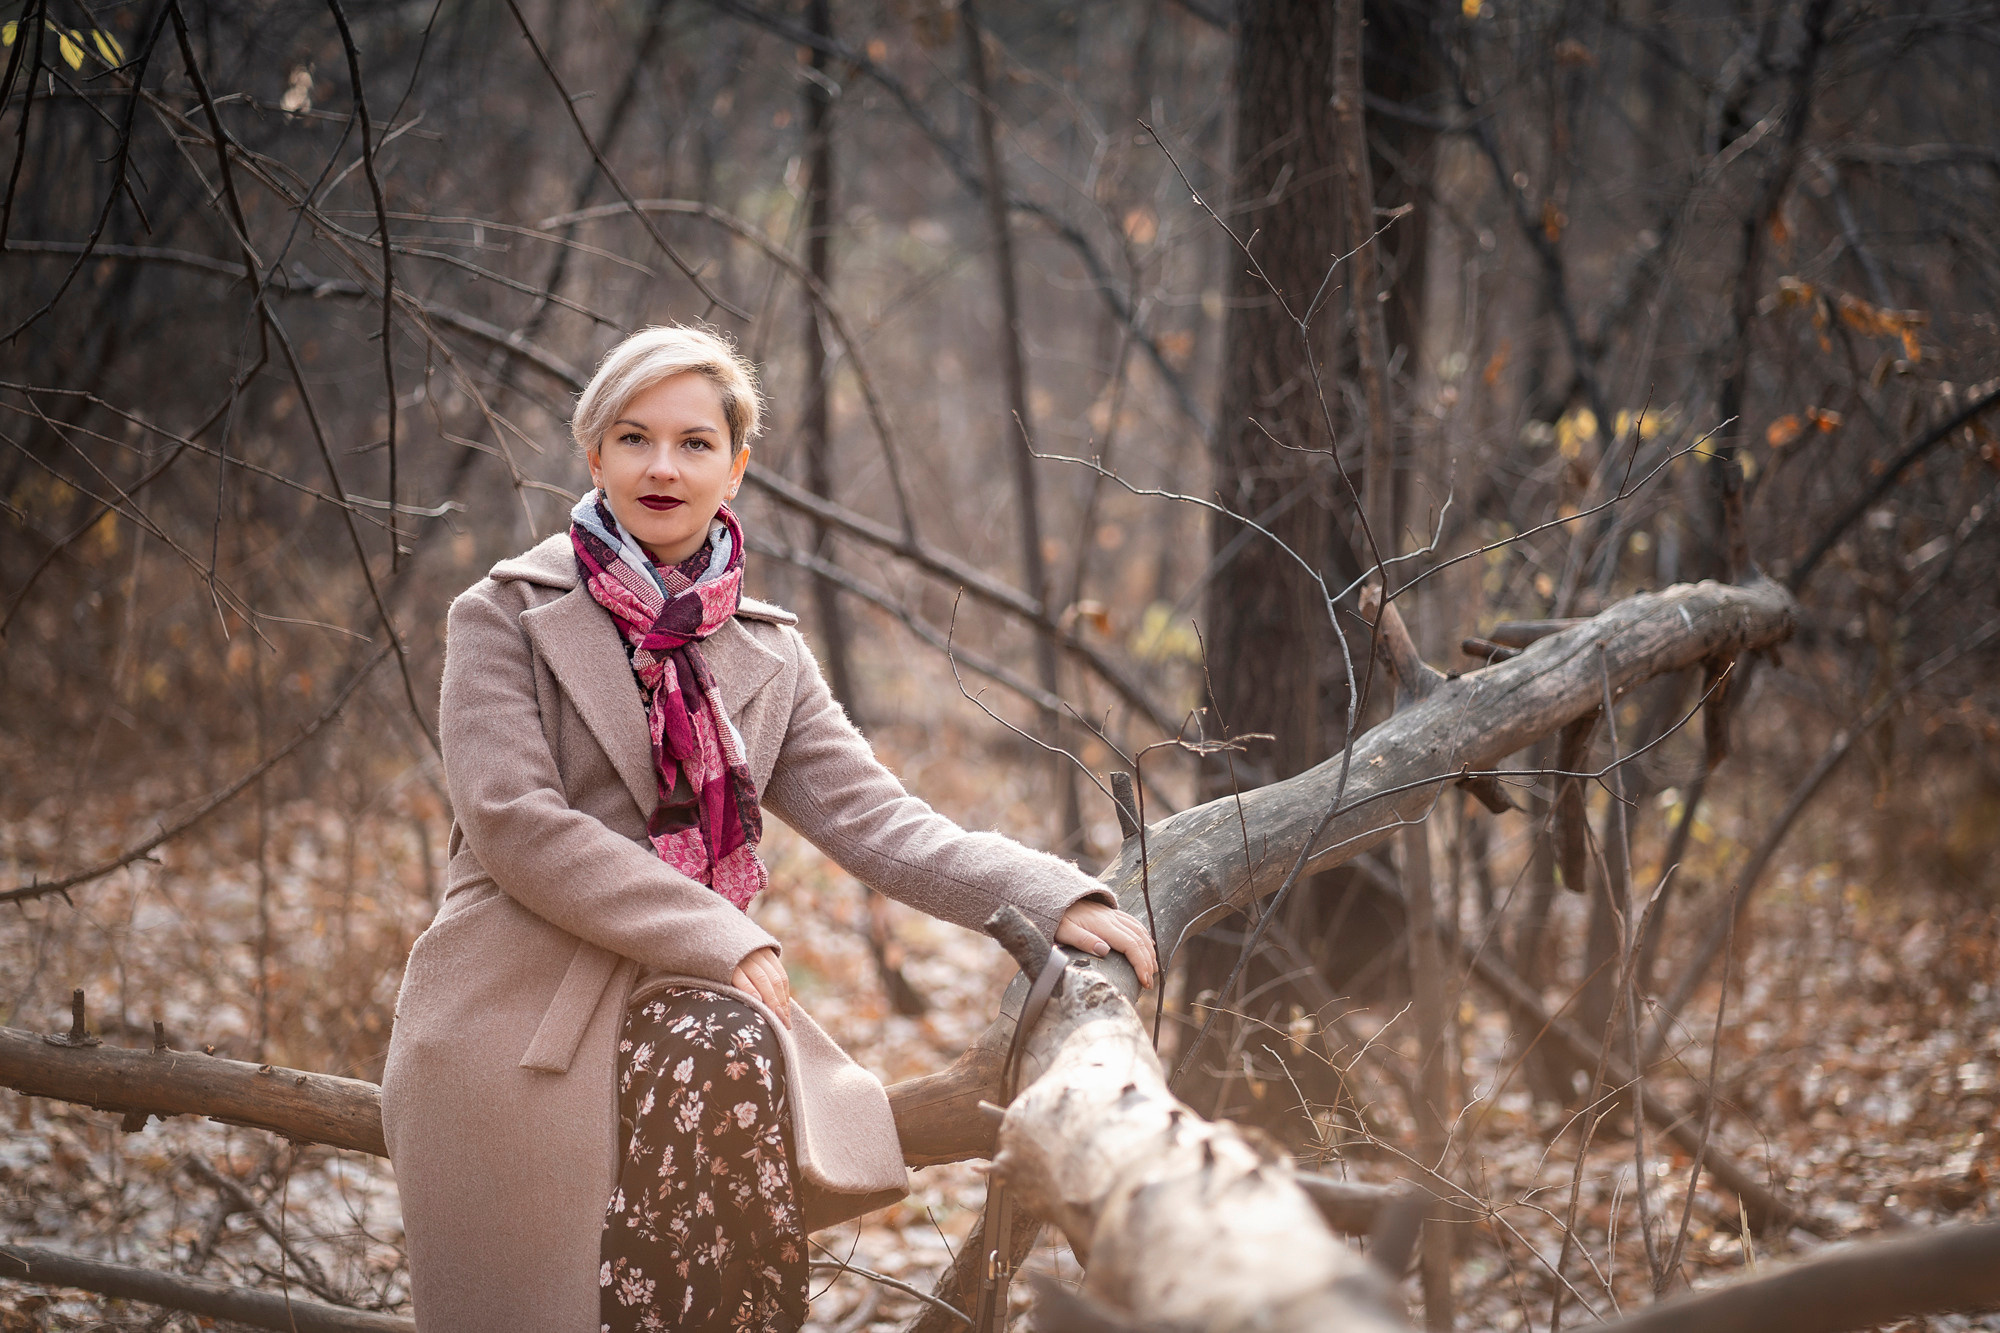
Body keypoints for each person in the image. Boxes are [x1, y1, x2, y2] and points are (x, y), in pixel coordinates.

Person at [379, 325, 1158, 1333]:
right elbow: (512, 824)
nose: (664, 465)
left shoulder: (764, 652)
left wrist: (1050, 892)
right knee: (726, 1042)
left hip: (676, 996)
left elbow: (880, 822)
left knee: (727, 1047)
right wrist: (720, 933)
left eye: (696, 442)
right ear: (594, 455)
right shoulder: (503, 614)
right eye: (634, 437)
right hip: (518, 994)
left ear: (735, 466)